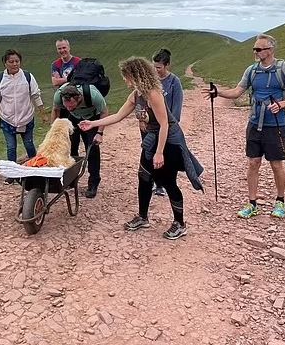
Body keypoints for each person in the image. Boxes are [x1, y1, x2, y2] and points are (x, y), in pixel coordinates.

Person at [80, 57, 203, 240]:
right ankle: (143, 217)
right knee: (144, 177)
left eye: (126, 76)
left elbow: (164, 124)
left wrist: (160, 152)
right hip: (150, 143)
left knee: (168, 181)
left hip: (167, 142)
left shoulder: (153, 94)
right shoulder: (137, 94)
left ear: (135, 75)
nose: (124, 80)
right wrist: (92, 123)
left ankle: (180, 223)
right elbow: (118, 116)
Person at [204, 34, 285, 218]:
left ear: (270, 50)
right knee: (253, 162)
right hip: (255, 122)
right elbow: (238, 91)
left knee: (276, 164)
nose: (255, 52)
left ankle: (280, 202)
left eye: (259, 49)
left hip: (276, 124)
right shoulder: (252, 70)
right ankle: (252, 204)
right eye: (254, 49)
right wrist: (219, 93)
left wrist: (281, 105)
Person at [0, 49, 47, 183]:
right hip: (7, 118)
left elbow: (36, 96)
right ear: (5, 63)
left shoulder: (27, 76)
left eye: (17, 61)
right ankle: (13, 174)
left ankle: (36, 169)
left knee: (29, 144)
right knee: (11, 146)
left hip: (26, 116)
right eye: (11, 61)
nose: (15, 64)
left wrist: (43, 114)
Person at [51, 83, 108, 198]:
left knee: (92, 150)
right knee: (70, 148)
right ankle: (70, 179)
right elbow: (56, 110)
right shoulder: (58, 96)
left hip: (92, 118)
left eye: (71, 106)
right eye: (66, 106)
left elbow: (104, 112)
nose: (68, 108)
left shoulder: (93, 95)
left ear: (79, 98)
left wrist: (99, 133)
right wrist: (54, 129)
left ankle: (93, 183)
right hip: (74, 118)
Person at [151, 48, 184, 196]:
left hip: (167, 126)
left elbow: (176, 108)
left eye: (158, 67)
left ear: (167, 66)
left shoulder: (174, 82)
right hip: (151, 126)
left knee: (167, 156)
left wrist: (170, 124)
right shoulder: (152, 81)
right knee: (152, 153)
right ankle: (157, 183)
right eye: (154, 67)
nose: (156, 70)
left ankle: (169, 184)